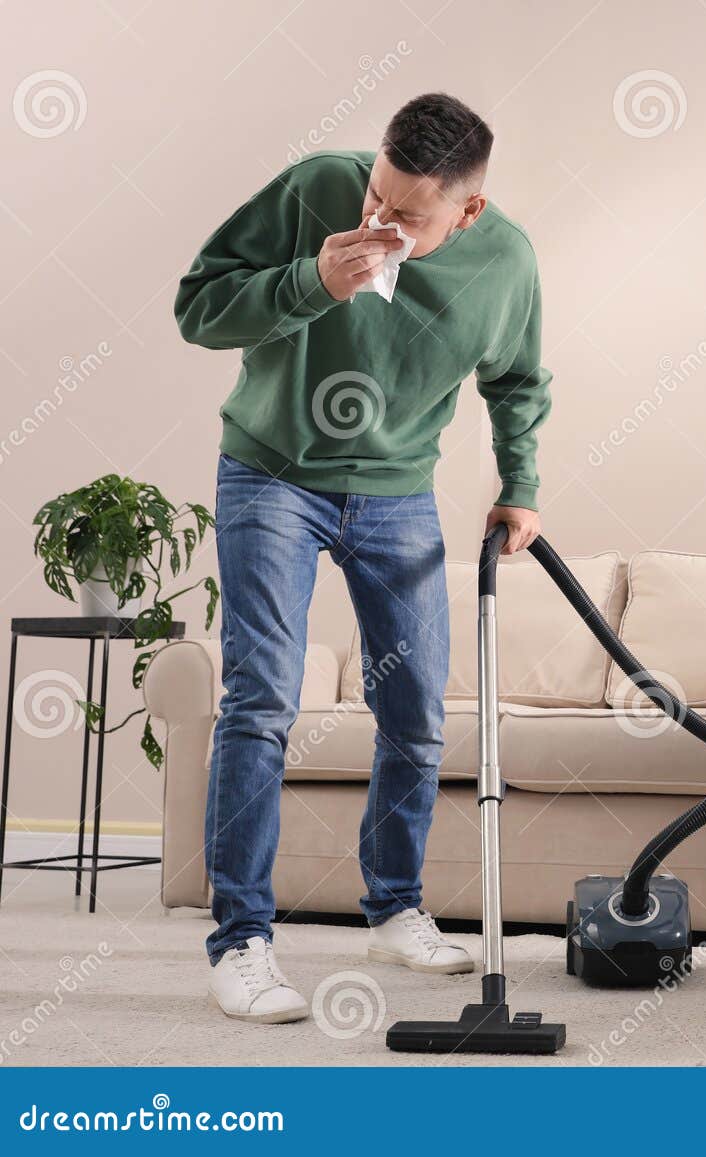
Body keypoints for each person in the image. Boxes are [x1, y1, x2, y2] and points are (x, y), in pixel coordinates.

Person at [174, 93, 549, 1023]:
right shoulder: (316, 189)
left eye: (405, 217)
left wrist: (522, 483)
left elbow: (516, 379)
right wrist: (310, 281)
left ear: (467, 213)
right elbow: (199, 308)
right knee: (262, 697)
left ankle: (392, 905)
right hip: (271, 475)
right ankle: (243, 942)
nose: (376, 223)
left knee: (417, 708)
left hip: (397, 493)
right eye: (375, 198)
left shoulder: (506, 263)